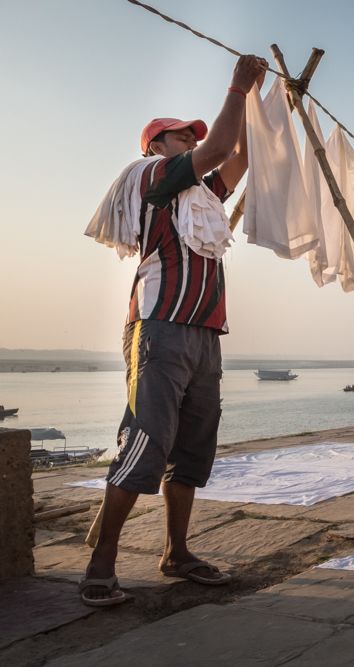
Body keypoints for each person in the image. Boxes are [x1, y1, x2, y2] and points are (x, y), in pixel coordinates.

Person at [80, 55, 268, 607]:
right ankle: (101, 562)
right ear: (154, 147)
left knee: (189, 452)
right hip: (159, 330)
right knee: (145, 443)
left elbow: (238, 158)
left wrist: (267, 108)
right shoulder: (153, 180)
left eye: (190, 135)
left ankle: (176, 553)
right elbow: (218, 152)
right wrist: (237, 86)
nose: (188, 141)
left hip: (205, 336)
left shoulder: (201, 198)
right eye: (177, 135)